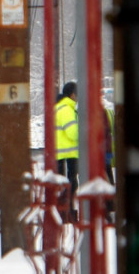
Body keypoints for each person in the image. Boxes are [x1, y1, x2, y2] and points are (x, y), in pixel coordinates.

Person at [55, 81, 80, 221]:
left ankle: (65, 212)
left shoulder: (61, 108)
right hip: (67, 154)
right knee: (70, 185)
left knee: (65, 186)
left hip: (61, 154)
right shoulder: (66, 110)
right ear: (72, 95)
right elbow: (73, 133)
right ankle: (68, 214)